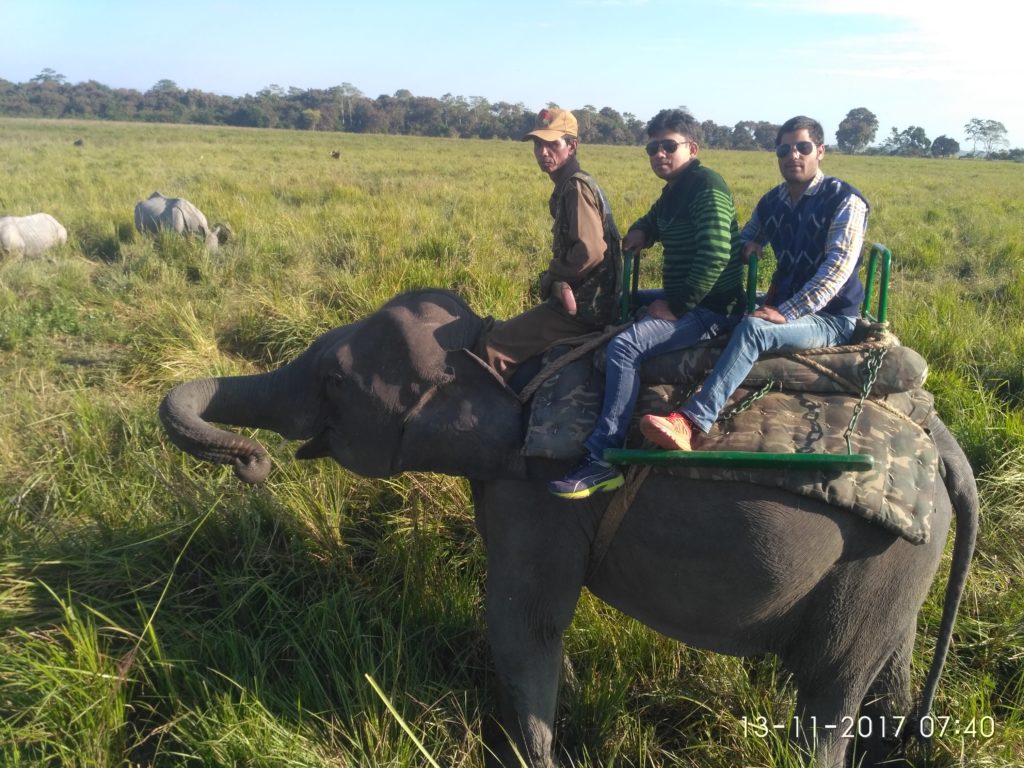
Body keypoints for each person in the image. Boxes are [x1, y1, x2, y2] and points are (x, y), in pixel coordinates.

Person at [638, 115, 870, 452]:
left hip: (829, 315)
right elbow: (745, 238)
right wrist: (744, 250)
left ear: (820, 151)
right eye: (784, 149)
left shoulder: (844, 200)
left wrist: (787, 312)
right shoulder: (774, 202)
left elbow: (837, 268)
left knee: (753, 329)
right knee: (652, 299)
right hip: (785, 301)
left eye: (803, 147)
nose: (793, 156)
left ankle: (692, 421)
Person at [549, 109, 746, 499]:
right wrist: (642, 229)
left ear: (692, 148)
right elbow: (655, 220)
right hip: (689, 299)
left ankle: (603, 458)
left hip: (710, 306)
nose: (659, 154)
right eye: (652, 147)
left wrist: (676, 305)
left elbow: (716, 253)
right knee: (623, 302)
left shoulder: (706, 187)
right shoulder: (675, 189)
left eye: (668, 146)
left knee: (625, 346)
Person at [477, 107, 621, 383]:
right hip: (584, 302)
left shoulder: (575, 188)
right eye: (538, 144)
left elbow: (589, 252)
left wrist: (553, 276)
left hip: (585, 311)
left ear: (572, 146)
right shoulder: (570, 184)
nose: (543, 152)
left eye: (552, 144)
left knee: (493, 347)